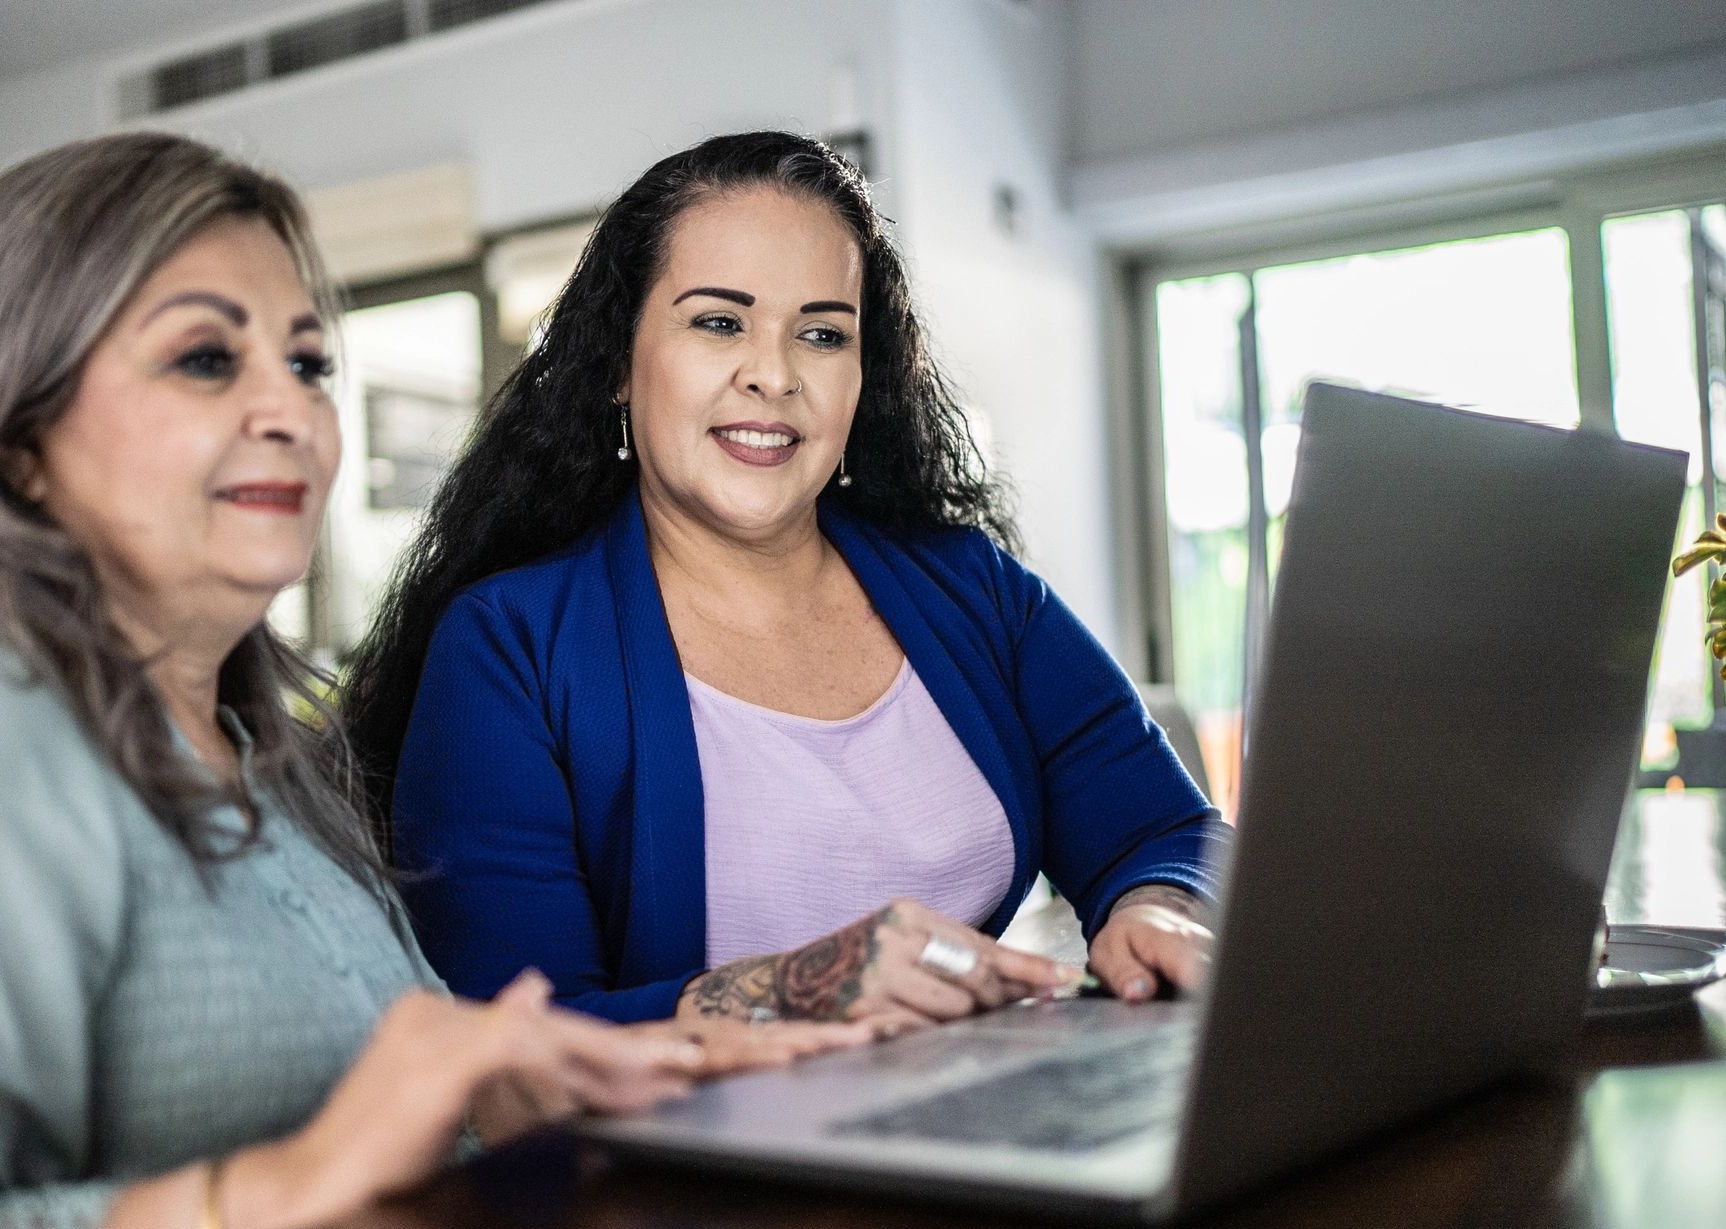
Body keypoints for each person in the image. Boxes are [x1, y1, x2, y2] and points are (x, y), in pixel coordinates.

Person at [0, 132, 859, 1229]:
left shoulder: (268, 756)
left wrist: (591, 1083)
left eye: (306, 361)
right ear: (16, 440)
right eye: (204, 356)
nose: (290, 407)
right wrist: (285, 1189)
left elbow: (388, 1121)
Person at [344, 131, 1231, 1028]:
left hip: (988, 1131)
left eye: (820, 334)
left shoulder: (972, 588)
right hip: (692, 1165)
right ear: (618, 360)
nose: (773, 375)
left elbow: (1164, 832)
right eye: (719, 321)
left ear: (861, 375)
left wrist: (1158, 905)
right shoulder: (508, 647)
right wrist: (792, 990)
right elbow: (515, 1052)